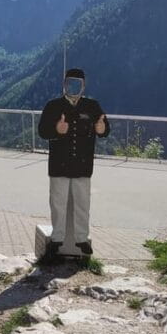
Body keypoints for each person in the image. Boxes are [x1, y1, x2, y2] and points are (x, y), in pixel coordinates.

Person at [38, 68, 109, 258]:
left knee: (83, 203)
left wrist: (102, 129)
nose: (73, 87)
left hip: (83, 165)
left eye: (77, 83)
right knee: (57, 203)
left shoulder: (93, 106)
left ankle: (82, 239)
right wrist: (57, 130)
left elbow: (105, 127)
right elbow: (42, 132)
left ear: (84, 86)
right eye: (70, 83)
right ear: (64, 84)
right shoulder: (53, 106)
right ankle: (57, 238)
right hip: (59, 164)